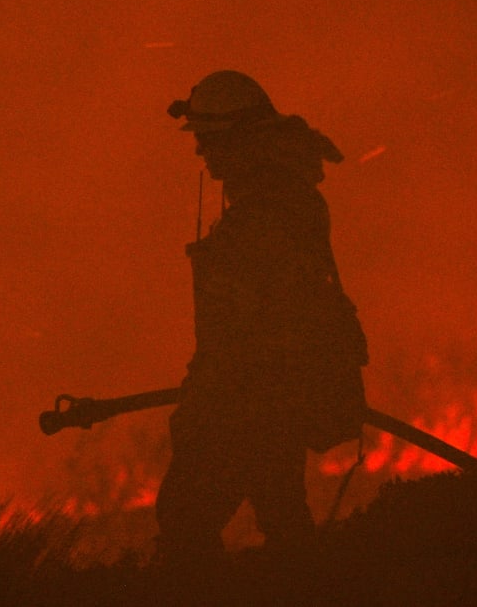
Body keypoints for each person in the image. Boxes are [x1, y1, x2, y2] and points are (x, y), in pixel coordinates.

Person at [154, 70, 367, 570]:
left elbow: (246, 330)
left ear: (239, 137)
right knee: (285, 520)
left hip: (250, 400)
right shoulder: (283, 199)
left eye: (207, 140)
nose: (200, 153)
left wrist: (204, 404)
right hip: (275, 397)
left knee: (184, 519)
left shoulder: (265, 217)